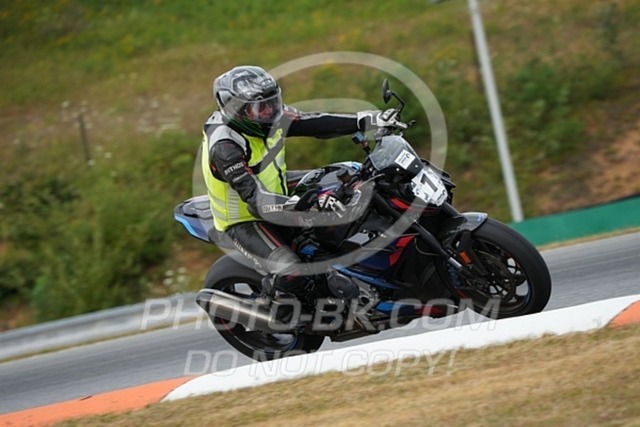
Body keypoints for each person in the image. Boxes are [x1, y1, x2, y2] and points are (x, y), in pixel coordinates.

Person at [201, 65, 397, 304]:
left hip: (277, 187)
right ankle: (273, 302)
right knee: (291, 271)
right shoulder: (225, 148)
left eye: (272, 102)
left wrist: (366, 120)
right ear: (236, 111)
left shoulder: (268, 118)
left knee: (346, 176)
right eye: (259, 107)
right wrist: (306, 204)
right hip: (245, 218)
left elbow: (312, 122)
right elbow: (255, 201)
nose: (270, 111)